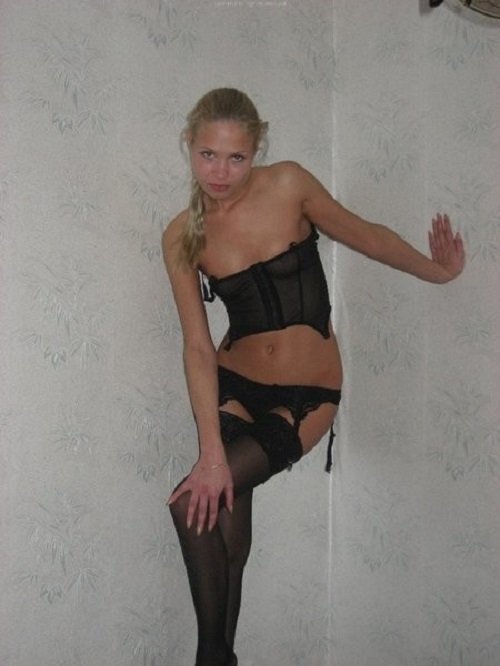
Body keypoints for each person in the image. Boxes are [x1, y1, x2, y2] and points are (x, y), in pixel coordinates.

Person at [162, 88, 465, 666]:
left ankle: (211, 656)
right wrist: (210, 450)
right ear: (189, 146)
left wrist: (437, 272)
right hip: (233, 385)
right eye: (208, 155)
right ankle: (219, 655)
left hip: (307, 396)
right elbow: (197, 347)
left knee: (192, 507)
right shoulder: (182, 235)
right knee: (217, 518)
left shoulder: (289, 185)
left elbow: (365, 235)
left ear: (256, 150)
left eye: (235, 157)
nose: (220, 172)